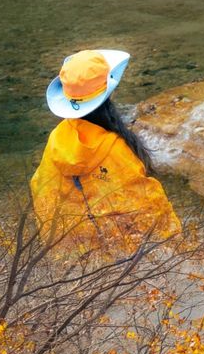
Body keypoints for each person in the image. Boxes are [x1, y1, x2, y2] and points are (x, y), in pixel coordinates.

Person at [31, 49, 180, 252]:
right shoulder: (117, 148)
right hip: (118, 252)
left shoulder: (57, 138)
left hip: (70, 248)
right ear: (109, 93)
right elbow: (146, 205)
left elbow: (43, 191)